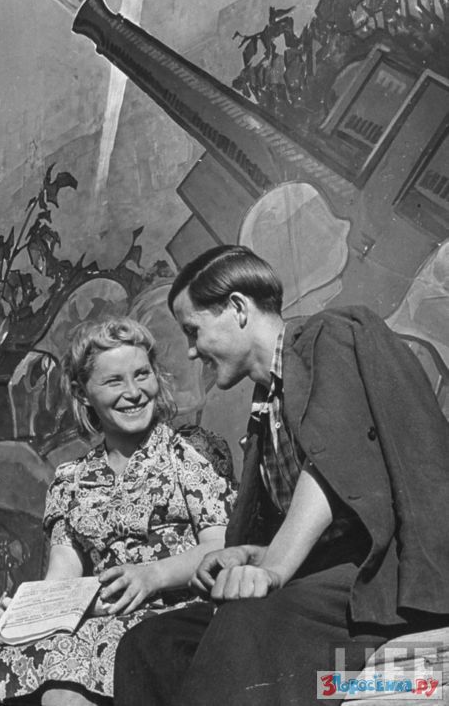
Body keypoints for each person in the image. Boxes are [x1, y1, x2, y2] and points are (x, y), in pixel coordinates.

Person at [113, 245, 449, 706]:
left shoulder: (329, 337)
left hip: (381, 576)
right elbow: (318, 522)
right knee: (152, 643)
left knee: (248, 622)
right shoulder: (265, 409)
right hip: (325, 580)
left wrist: (271, 570)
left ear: (237, 308)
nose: (191, 351)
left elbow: (333, 460)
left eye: (193, 331)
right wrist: (251, 554)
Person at [0, 317, 236, 706]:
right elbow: (62, 577)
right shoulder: (70, 480)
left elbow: (221, 546)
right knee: (27, 665)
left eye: (142, 374)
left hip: (176, 620)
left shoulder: (190, 453)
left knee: (69, 686)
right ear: (83, 393)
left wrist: (152, 575)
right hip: (97, 618)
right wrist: (29, 609)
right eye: (114, 381)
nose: (134, 392)